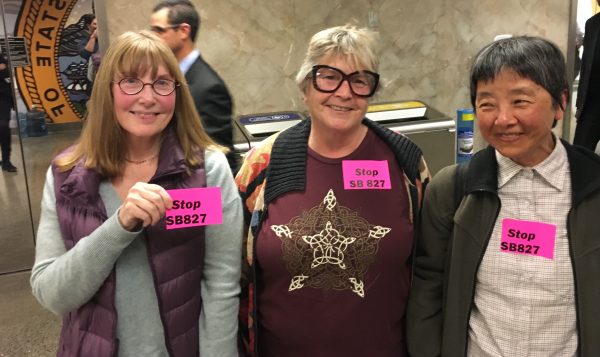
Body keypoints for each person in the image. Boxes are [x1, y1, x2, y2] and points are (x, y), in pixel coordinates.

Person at [30, 31, 242, 356]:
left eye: (162, 83)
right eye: (130, 81)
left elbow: (221, 283)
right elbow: (52, 294)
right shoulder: (67, 176)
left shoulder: (207, 170)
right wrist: (120, 225)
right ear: (108, 92)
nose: (148, 97)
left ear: (177, 93)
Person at [235, 25, 430, 357]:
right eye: (329, 76)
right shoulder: (264, 164)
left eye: (359, 80)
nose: (344, 92)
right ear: (305, 86)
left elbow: (428, 268)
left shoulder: (405, 164)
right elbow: (235, 274)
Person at [407, 36, 600, 356]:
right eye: (487, 104)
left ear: (560, 103)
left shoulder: (592, 188)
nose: (503, 119)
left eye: (520, 101)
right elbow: (428, 286)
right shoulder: (453, 190)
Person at [150, 0, 237, 172]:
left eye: (159, 30)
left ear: (183, 31)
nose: (153, 37)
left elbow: (218, 157)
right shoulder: (167, 76)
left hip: (195, 192)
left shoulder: (208, 88)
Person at [574, 0, 600, 151]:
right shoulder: (592, 24)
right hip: (591, 104)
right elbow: (586, 67)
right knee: (579, 152)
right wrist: (580, 105)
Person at [0, 52, 16, 172]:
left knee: (4, 127)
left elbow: (7, 74)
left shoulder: (1, 57)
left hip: (3, 99)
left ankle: (6, 160)